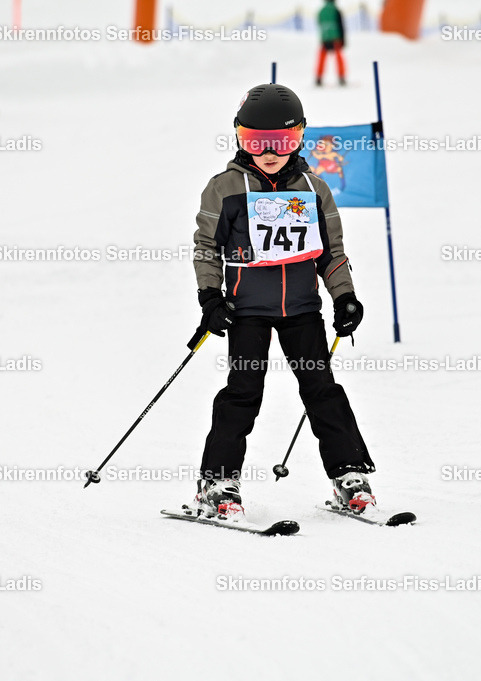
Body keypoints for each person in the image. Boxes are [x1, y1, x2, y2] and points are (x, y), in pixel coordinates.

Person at [190, 83, 375, 521]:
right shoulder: (225, 188)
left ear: (300, 138)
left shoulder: (314, 188)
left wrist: (344, 296)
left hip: (302, 311)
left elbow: (331, 251)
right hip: (246, 311)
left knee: (322, 391)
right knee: (243, 393)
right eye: (256, 141)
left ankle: (350, 476)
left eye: (283, 142)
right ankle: (217, 483)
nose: (270, 152)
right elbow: (205, 247)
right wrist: (209, 298)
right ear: (239, 137)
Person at [316, 0, 346, 86]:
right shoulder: (335, 10)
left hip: (325, 38)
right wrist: (343, 40)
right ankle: (341, 77)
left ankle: (318, 78)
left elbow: (319, 24)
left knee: (321, 58)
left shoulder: (321, 11)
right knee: (339, 58)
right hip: (335, 37)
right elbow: (340, 25)